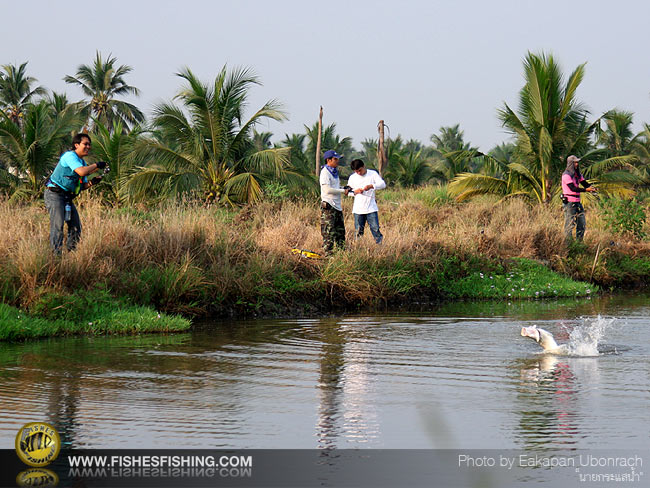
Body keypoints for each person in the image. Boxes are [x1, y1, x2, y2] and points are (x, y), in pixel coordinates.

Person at [44, 133, 106, 253]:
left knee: (75, 226)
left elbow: (82, 186)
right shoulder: (70, 156)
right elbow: (82, 172)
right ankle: (55, 256)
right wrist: (96, 165)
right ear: (76, 145)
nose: (88, 147)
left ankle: (71, 253)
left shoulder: (81, 163)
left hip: (66, 197)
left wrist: (93, 182)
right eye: (85, 144)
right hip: (54, 194)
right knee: (58, 226)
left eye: (89, 144)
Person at [347, 159, 386, 243]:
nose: (359, 173)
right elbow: (348, 192)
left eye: (360, 170)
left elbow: (383, 184)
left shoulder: (373, 174)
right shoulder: (352, 177)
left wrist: (372, 186)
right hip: (358, 209)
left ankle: (380, 246)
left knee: (375, 229)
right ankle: (358, 247)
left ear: (364, 166)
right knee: (358, 231)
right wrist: (355, 192)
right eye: (356, 171)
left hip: (371, 208)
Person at [320, 149, 351, 254]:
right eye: (335, 159)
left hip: (337, 206)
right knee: (329, 232)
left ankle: (341, 254)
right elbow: (327, 190)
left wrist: (345, 188)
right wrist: (343, 190)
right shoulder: (325, 173)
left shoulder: (334, 172)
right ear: (328, 160)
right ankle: (328, 254)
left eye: (338, 159)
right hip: (329, 206)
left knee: (340, 232)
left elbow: (335, 187)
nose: (337, 161)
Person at [561, 155, 596, 242]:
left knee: (582, 223)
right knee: (569, 224)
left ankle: (579, 243)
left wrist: (592, 188)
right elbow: (573, 188)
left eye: (577, 162)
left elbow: (585, 183)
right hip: (569, 203)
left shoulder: (577, 174)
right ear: (571, 163)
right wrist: (586, 190)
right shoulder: (566, 175)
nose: (577, 164)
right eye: (575, 162)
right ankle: (568, 244)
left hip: (577, 202)